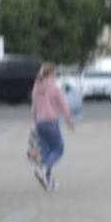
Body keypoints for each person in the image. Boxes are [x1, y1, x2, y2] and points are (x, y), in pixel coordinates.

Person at [30, 62, 73, 191]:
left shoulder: (36, 87)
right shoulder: (54, 87)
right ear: (51, 74)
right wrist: (69, 120)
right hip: (51, 121)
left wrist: (36, 119)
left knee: (47, 152)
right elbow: (63, 105)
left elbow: (34, 106)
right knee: (58, 149)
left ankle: (49, 181)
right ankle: (43, 170)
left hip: (40, 122)